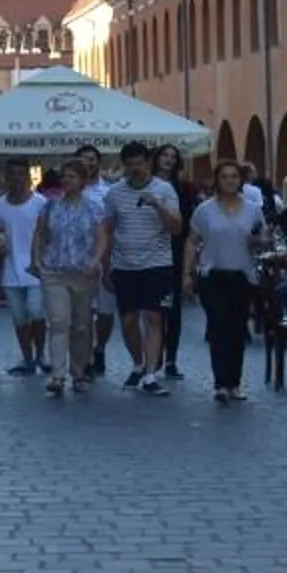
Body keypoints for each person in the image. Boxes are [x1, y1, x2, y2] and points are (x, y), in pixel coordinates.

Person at [184, 158, 266, 401]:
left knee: (238, 330)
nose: (230, 181)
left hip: (242, 275)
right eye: (224, 177)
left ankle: (234, 383)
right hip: (213, 275)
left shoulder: (253, 209)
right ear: (217, 181)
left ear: (240, 180)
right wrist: (186, 273)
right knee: (219, 326)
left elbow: (262, 239)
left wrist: (259, 241)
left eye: (234, 176)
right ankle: (221, 383)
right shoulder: (205, 210)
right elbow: (192, 240)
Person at [106, 140, 184, 396]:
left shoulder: (164, 189)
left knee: (153, 317)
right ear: (124, 165)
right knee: (128, 320)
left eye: (139, 163)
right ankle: (138, 363)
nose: (135, 169)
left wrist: (158, 205)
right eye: (130, 165)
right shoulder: (114, 193)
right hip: (124, 264)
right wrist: (105, 264)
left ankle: (150, 373)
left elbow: (176, 228)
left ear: (148, 162)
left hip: (157, 263)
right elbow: (107, 229)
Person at [33, 157, 111, 395]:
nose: (66, 180)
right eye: (64, 176)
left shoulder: (94, 208)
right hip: (55, 271)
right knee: (59, 322)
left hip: (83, 273)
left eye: (72, 176)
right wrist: (37, 260)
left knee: (81, 326)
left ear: (83, 181)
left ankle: (78, 371)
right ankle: (57, 375)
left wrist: (96, 260)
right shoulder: (50, 206)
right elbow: (40, 234)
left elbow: (102, 238)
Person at [0, 160, 46, 375]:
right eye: (12, 174)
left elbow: (48, 233)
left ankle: (41, 354)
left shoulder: (40, 203)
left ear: (28, 177)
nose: (17, 178)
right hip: (10, 268)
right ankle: (27, 357)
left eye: (21, 174)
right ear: (6, 177)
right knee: (19, 317)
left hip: (36, 268)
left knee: (36, 311)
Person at [153, 142, 199, 377]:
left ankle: (170, 359)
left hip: (175, 253)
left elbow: (189, 226)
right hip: (150, 253)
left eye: (173, 156)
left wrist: (189, 265)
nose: (168, 160)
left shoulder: (183, 189)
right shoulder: (146, 186)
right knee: (153, 310)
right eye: (165, 155)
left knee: (173, 310)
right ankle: (154, 356)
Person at [74, 141, 116, 377]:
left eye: (92, 159)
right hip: (79, 260)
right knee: (84, 312)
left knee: (106, 311)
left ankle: (100, 347)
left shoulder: (109, 192)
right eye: (83, 159)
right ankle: (88, 356)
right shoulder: (70, 191)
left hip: (106, 257)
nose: (88, 163)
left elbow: (114, 227)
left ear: (99, 163)